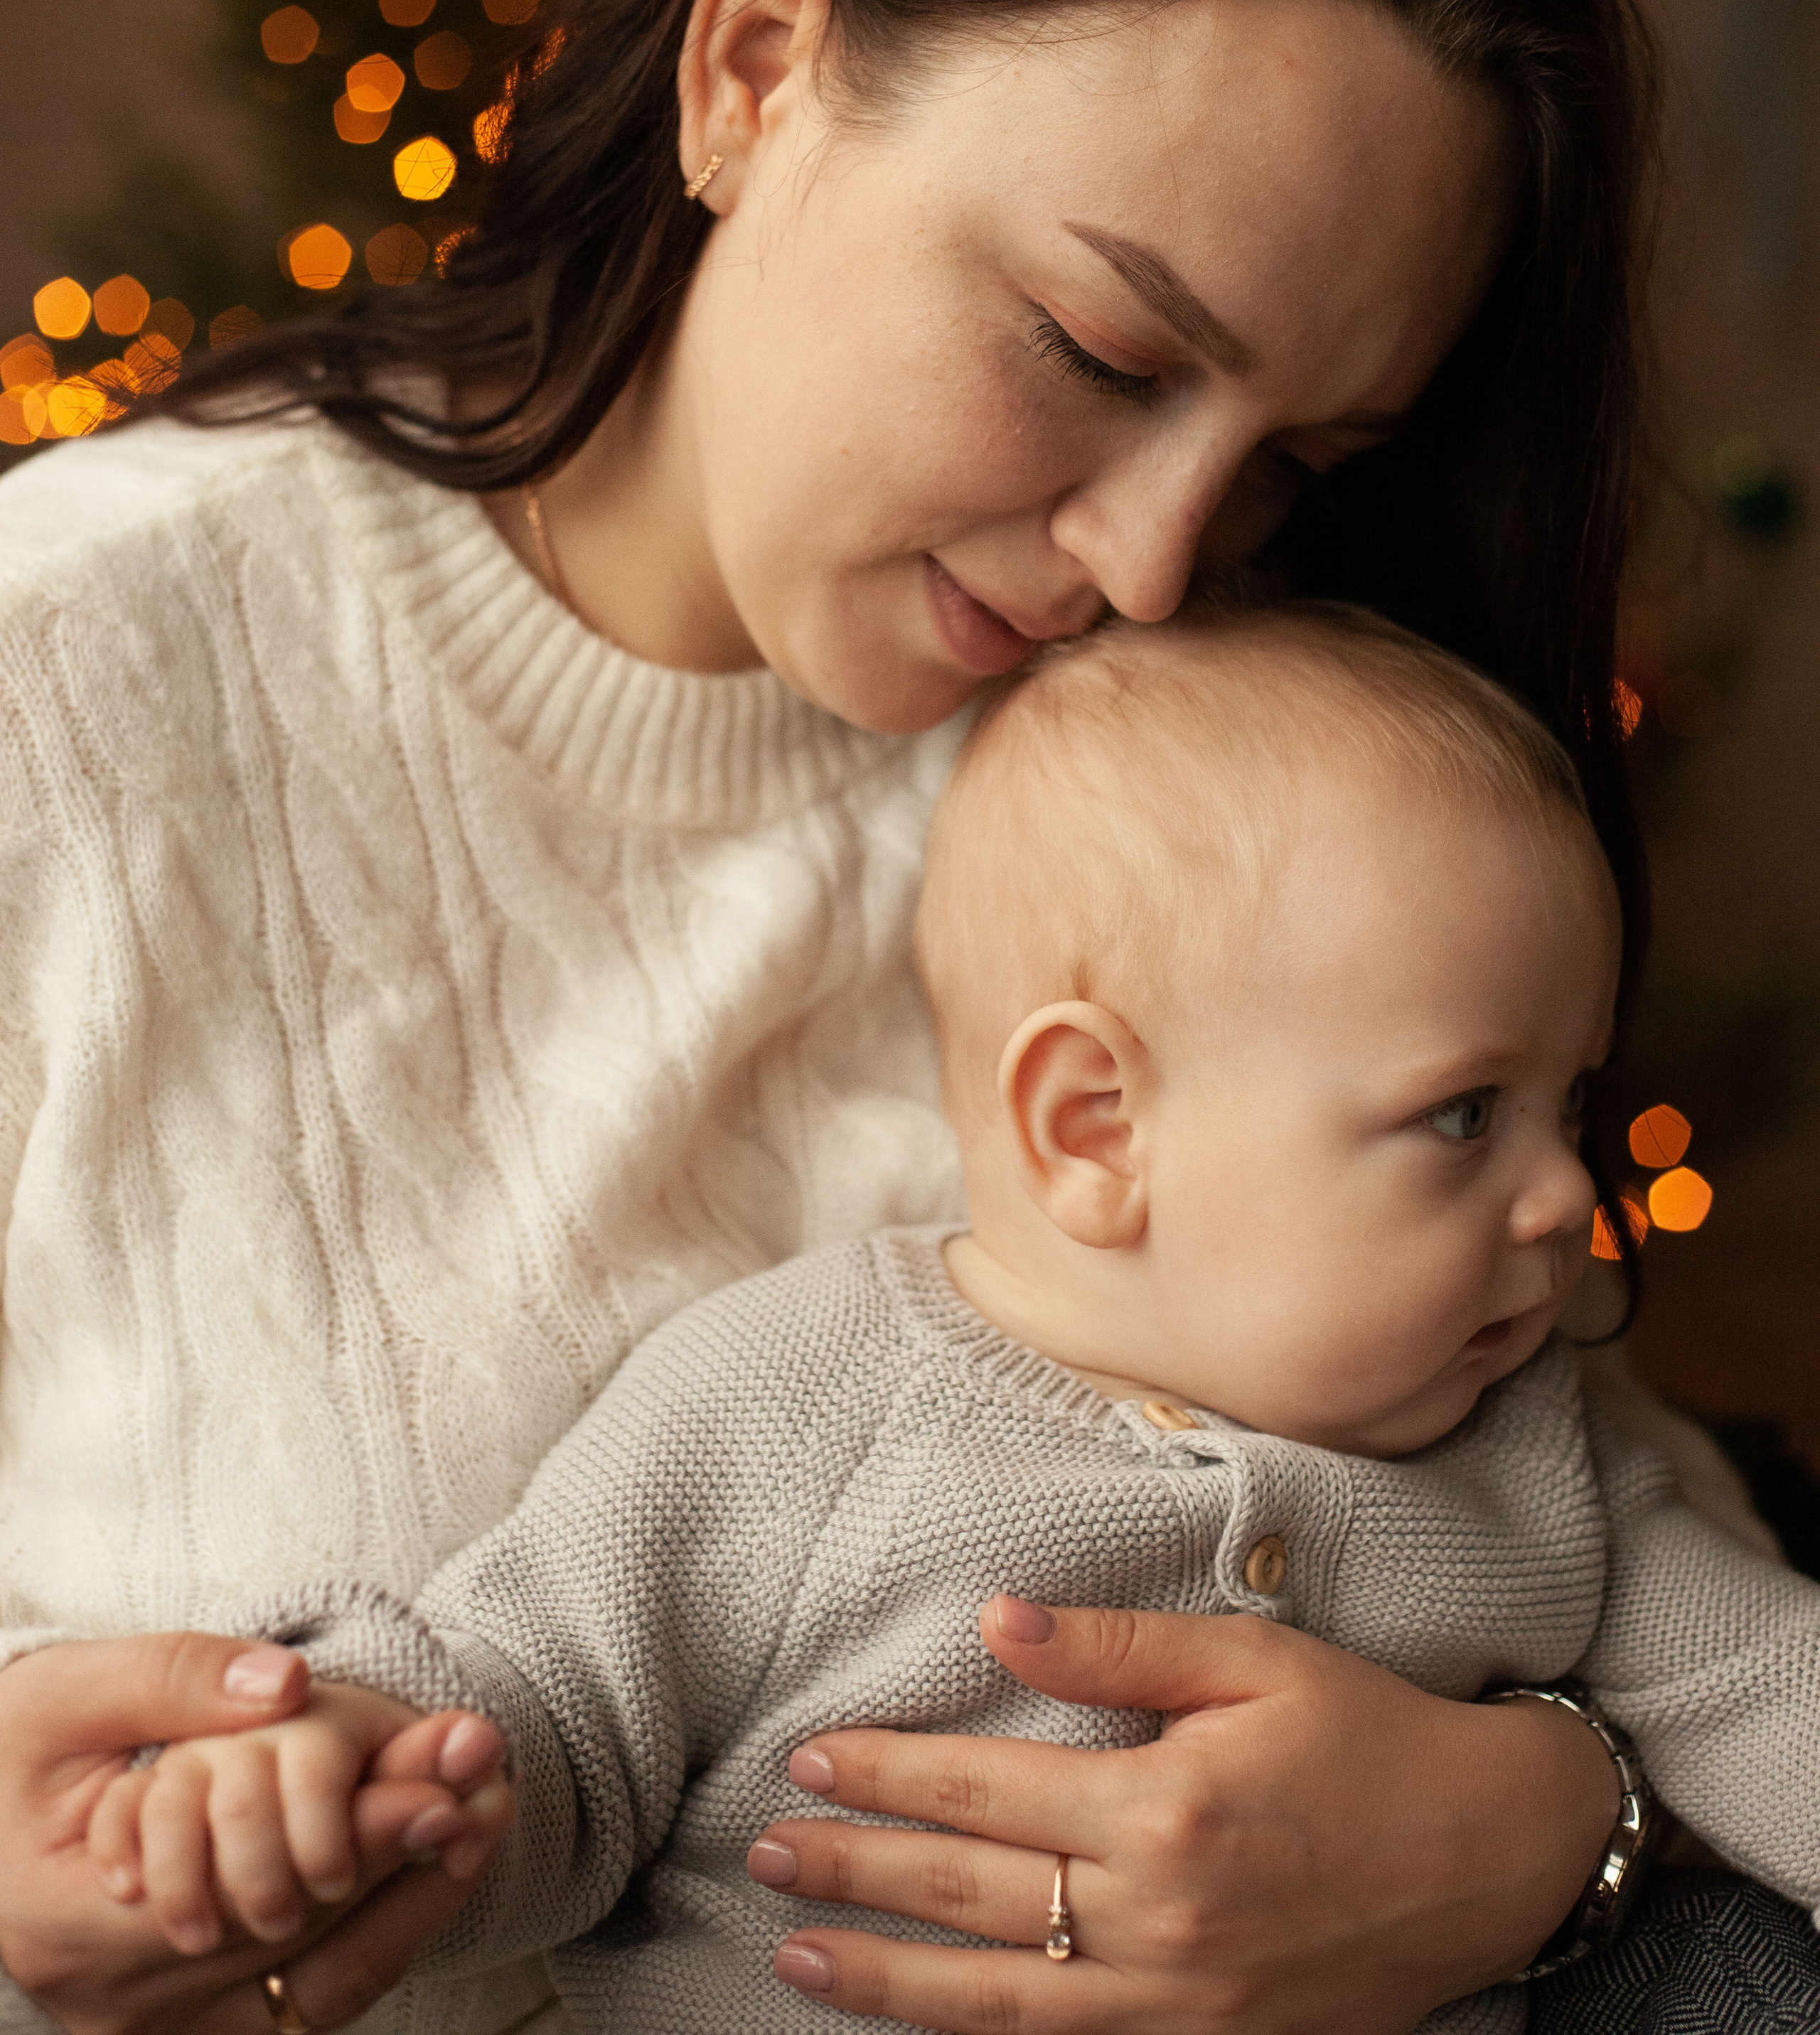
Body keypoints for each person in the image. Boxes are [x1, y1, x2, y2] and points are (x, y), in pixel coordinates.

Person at [0, 0, 1752, 2035]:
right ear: (756, 69)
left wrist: (1544, 1836)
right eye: (1094, 342)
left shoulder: (1236, 765)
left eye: (1297, 462)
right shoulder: (58, 692)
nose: (1156, 565)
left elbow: (1574, 1482)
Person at [82, 608, 1820, 2033]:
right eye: (1463, 1115)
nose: (1559, 1203)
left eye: (1567, 1111)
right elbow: (539, 1707)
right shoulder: (798, 1396)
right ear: (1096, 1130)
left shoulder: (1539, 1452)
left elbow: (1763, 1686)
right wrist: (329, 1764)